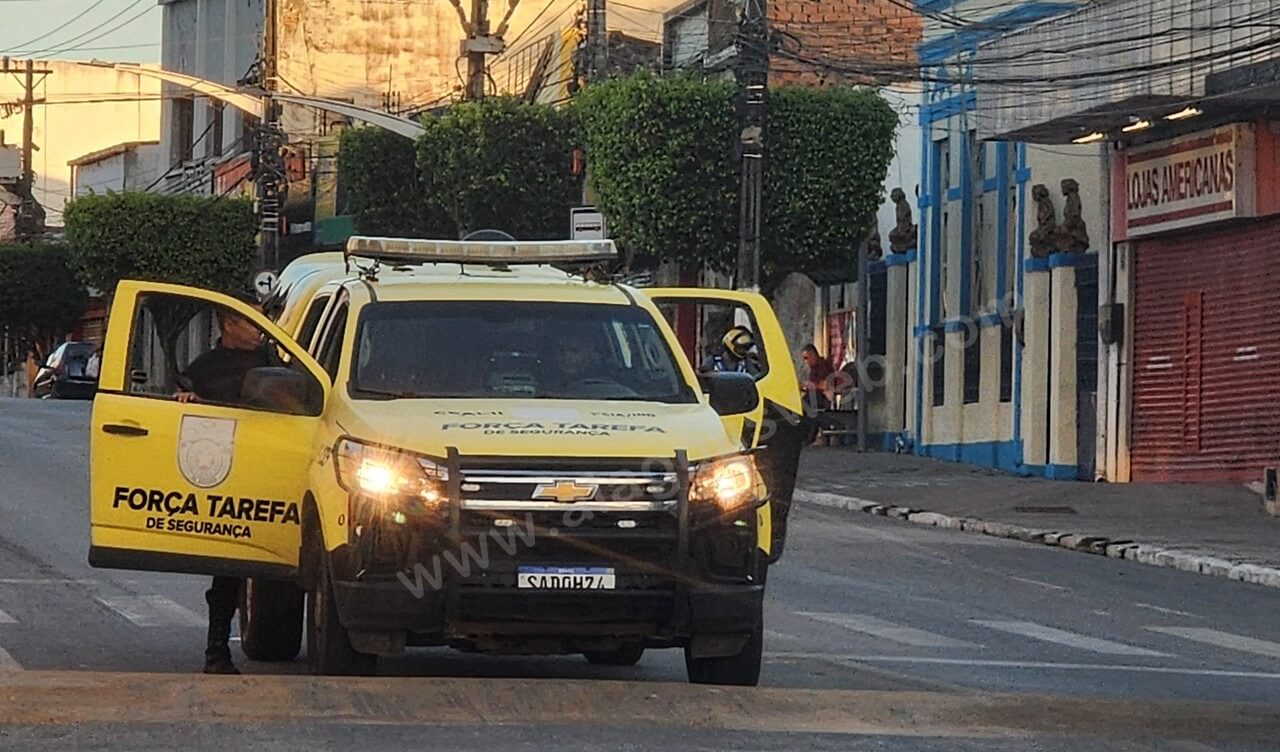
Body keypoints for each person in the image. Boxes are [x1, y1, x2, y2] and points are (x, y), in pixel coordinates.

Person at [174, 297, 271, 675]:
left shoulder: (274, 364)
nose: (261, 330)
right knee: (228, 568)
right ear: (229, 324)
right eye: (252, 322)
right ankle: (216, 650)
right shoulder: (204, 368)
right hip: (226, 478)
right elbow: (178, 406)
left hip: (270, 473)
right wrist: (187, 401)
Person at [799, 344, 835, 411]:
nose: (805, 362)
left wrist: (807, 385)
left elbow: (825, 385)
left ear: (813, 355)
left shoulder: (822, 366)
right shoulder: (813, 369)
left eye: (806, 358)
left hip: (822, 401)